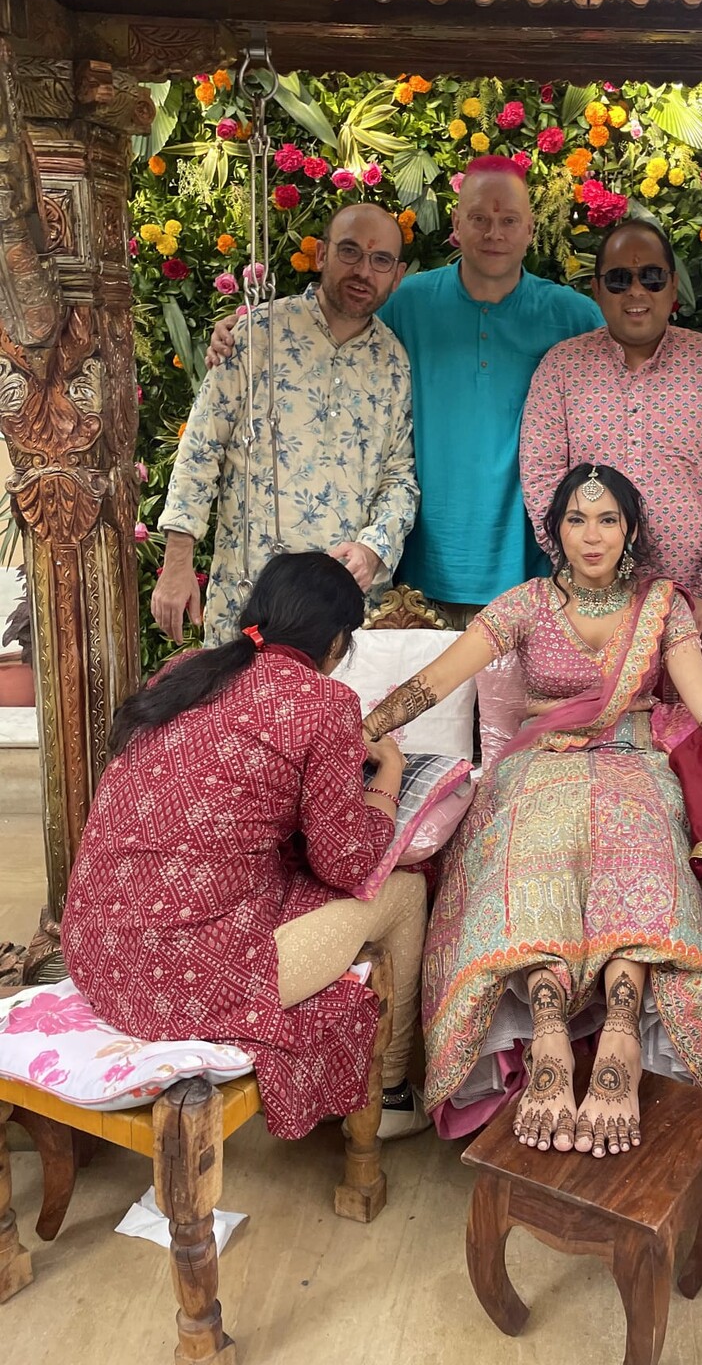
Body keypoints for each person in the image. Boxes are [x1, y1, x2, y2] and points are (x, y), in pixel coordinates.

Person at [362, 463, 702, 1157]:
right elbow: (437, 678)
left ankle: (622, 1035)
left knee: (639, 854)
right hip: (540, 767)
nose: (591, 536)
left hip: (636, 758)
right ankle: (547, 1041)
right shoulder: (527, 604)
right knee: (533, 853)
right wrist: (364, 726)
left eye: (606, 520)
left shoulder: (662, 604)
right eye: (576, 520)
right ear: (555, 530)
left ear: (629, 529)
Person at [61, 553, 429, 1140]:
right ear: (337, 641)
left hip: (96, 952)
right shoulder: (324, 703)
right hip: (180, 984)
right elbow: (349, 862)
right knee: (406, 890)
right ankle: (390, 1092)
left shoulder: (184, 671)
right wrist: (388, 774)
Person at [207, 156, 603, 626]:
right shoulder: (406, 301)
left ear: (531, 228)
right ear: (456, 222)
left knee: (516, 703)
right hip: (419, 579)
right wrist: (240, 332)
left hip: (534, 571)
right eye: (479, 218)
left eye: (509, 220)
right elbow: (330, 337)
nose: (494, 233)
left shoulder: (574, 317)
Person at [157, 202, 419, 646]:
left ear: (396, 276)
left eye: (380, 261)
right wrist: (178, 562)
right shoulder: (256, 335)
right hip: (249, 594)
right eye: (350, 252)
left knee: (333, 716)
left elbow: (400, 476)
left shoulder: (393, 362)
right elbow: (202, 449)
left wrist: (375, 548)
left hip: (340, 610)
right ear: (321, 254)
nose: (363, 271)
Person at [520, 220, 702, 646]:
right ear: (597, 291)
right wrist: (583, 572)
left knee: (687, 711)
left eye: (651, 278)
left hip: (695, 603)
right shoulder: (562, 368)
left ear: (672, 288)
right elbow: (542, 479)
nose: (636, 292)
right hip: (589, 602)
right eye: (619, 280)